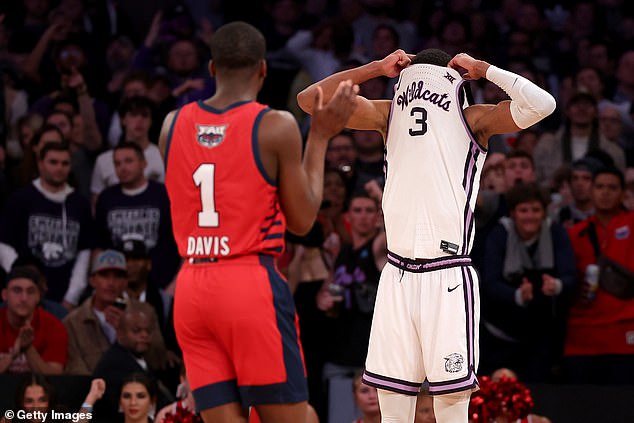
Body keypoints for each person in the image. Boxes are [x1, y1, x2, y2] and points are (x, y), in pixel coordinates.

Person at [298, 49, 555, 422]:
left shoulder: (469, 119)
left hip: (446, 273)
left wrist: (482, 68)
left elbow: (542, 104)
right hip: (397, 273)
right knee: (393, 406)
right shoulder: (391, 115)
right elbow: (310, 102)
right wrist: (481, 71)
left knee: (450, 404)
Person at [158, 21, 356, 423]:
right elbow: (302, 222)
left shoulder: (170, 125)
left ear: (211, 69)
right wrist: (319, 136)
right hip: (247, 282)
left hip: (192, 286)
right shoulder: (275, 125)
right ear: (263, 69)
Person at [0, 265, 67, 374]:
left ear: (38, 297)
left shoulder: (54, 327)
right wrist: (13, 354)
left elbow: (55, 379)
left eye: (30, 292)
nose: (24, 298)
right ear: (5, 295)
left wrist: (28, 348)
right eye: (17, 291)